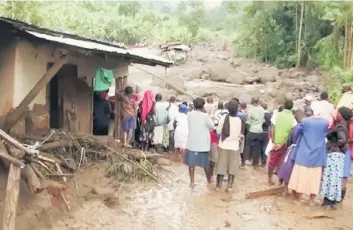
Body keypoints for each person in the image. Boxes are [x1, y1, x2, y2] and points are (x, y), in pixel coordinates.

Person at [288, 109, 329, 206]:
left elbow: (297, 132)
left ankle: (299, 199)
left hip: (304, 154)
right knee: (315, 178)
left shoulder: (305, 122)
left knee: (301, 177)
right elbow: (325, 133)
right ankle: (311, 200)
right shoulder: (325, 123)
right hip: (318, 155)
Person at [185, 97, 214, 188]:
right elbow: (212, 126)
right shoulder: (205, 116)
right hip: (203, 144)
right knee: (205, 164)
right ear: (203, 106)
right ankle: (209, 181)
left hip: (192, 143)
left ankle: (192, 182)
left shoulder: (189, 114)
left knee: (191, 164)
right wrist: (205, 112)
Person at [215, 100, 244, 192]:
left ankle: (218, 186)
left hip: (223, 144)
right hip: (234, 146)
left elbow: (218, 131)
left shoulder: (224, 118)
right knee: (232, 166)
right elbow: (239, 133)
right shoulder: (239, 120)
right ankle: (229, 186)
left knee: (221, 166)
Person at [320, 114, 348, 209]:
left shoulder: (340, 127)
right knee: (335, 178)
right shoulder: (343, 125)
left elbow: (342, 139)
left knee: (331, 178)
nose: (337, 114)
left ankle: (328, 201)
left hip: (334, 156)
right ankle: (333, 201)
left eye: (339, 113)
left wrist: (334, 146)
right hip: (338, 156)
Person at [278, 110, 305, 196]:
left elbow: (288, 141)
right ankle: (294, 192)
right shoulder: (304, 129)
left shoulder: (295, 128)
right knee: (296, 171)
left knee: (287, 169)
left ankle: (285, 190)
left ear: (295, 118)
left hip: (292, 150)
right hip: (301, 151)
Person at [268, 100, 295, 185]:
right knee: (282, 162)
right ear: (292, 107)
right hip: (285, 144)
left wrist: (273, 141)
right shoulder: (293, 119)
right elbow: (290, 134)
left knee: (272, 161)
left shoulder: (277, 114)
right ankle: (280, 182)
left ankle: (269, 179)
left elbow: (272, 128)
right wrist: (282, 144)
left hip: (275, 142)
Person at [335, 107, 353, 202]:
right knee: (344, 176)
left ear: (342, 115)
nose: (336, 115)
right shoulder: (349, 125)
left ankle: (337, 199)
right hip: (348, 152)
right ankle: (339, 201)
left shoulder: (343, 126)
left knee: (341, 175)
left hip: (345, 151)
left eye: (338, 113)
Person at [243, 97, 265, 168]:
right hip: (260, 130)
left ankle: (244, 161)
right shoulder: (262, 109)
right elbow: (263, 119)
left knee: (248, 146)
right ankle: (255, 163)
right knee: (257, 147)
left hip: (252, 129)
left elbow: (248, 120)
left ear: (252, 101)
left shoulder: (251, 109)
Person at [261, 103, 271, 167]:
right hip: (266, 132)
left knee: (258, 147)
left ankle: (258, 160)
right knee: (265, 147)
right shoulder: (269, 115)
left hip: (260, 131)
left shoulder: (261, 113)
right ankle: (263, 161)